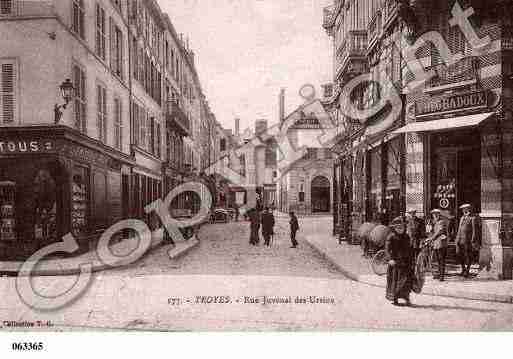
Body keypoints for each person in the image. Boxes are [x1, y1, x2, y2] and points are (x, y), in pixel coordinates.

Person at [385, 216, 414, 306]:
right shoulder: (391, 237)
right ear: (395, 228)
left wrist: (412, 260)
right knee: (395, 280)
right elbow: (387, 250)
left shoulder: (406, 237)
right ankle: (395, 298)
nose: (400, 229)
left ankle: (406, 297)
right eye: (398, 227)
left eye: (402, 227)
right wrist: (390, 259)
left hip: (406, 262)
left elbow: (410, 249)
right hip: (395, 263)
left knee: (406, 281)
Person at [455, 204, 480, 278]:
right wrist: (457, 239)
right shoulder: (462, 218)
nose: (463, 211)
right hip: (460, 240)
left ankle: (467, 270)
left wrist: (473, 240)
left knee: (468, 255)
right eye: (463, 209)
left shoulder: (472, 218)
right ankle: (463, 269)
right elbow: (459, 229)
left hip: (468, 240)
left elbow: (474, 231)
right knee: (460, 255)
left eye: (465, 209)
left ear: (468, 210)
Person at [429, 209, 448, 282]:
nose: (435, 215)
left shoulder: (441, 222)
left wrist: (431, 238)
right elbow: (431, 231)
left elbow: (439, 231)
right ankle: (439, 274)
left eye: (437, 214)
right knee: (438, 260)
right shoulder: (434, 222)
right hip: (436, 244)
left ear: (439, 214)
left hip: (441, 244)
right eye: (434, 214)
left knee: (441, 260)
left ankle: (442, 276)